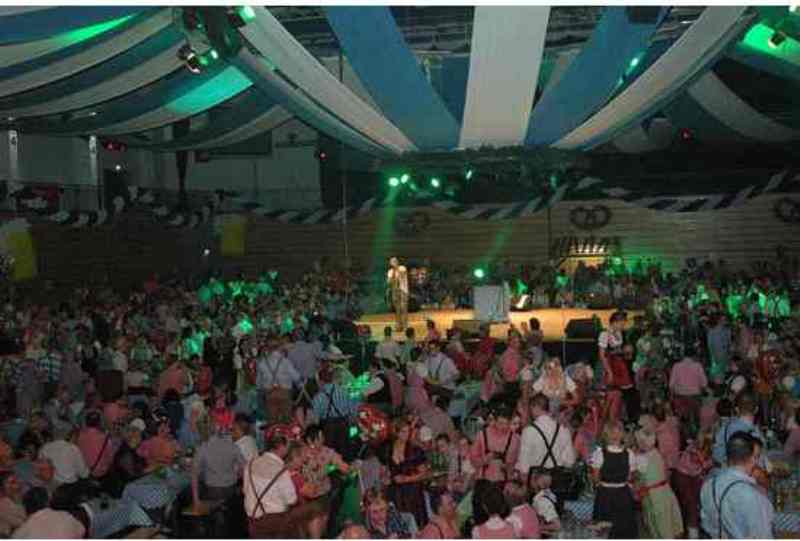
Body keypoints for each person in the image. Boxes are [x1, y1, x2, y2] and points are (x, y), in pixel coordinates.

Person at [700, 431, 774, 538]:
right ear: (753, 459)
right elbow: (763, 535)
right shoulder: (752, 495)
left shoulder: (708, 485)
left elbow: (707, 525)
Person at [589, 420, 644, 539]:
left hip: (605, 495)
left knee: (605, 532)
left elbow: (595, 478)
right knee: (624, 530)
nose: (615, 435)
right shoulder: (629, 454)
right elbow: (631, 477)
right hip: (622, 495)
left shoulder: (599, 453)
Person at [243, 434, 298, 539]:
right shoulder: (281, 470)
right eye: (288, 445)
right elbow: (291, 500)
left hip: (253, 521)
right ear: (282, 447)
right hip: (276, 522)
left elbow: (245, 491)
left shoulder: (250, 464)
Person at [516, 394, 576, 489]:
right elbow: (570, 461)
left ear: (535, 407)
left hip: (535, 481)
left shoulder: (528, 431)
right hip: (557, 481)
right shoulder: (563, 430)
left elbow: (524, 464)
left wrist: (525, 483)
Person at [634, 428, 684, 538]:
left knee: (659, 525)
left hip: (654, 495)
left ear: (642, 442)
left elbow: (636, 476)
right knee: (668, 523)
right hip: (665, 491)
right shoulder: (657, 453)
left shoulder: (642, 458)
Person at [383, 417, 429, 527]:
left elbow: (426, 474)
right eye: (403, 431)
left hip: (413, 494)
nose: (407, 434)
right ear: (396, 432)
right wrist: (386, 477)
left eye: (408, 431)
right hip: (395, 494)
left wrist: (407, 479)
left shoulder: (415, 450)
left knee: (416, 525)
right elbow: (387, 470)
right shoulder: (388, 449)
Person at [191, 416, 245, 507]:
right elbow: (244, 468)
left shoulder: (203, 447)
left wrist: (196, 500)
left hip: (212, 490)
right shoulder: (232, 445)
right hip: (231, 488)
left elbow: (194, 473)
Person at [470, 401, 520, 483]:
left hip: (505, 482)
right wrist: (485, 459)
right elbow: (473, 461)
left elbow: (517, 464)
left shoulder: (516, 439)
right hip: (483, 481)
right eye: (500, 423)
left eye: (506, 424)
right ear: (495, 421)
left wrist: (508, 466)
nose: (503, 427)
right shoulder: (482, 435)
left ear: (510, 421)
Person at [669, 354, 709, 425]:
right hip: (695, 396)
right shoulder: (698, 366)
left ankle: (683, 433)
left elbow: (671, 384)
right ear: (693, 356)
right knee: (696, 420)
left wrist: (672, 396)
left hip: (680, 397)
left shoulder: (676, 366)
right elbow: (704, 383)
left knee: (682, 420)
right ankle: (696, 433)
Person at [0, 472, 26, 537]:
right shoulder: (3, 503)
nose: (17, 484)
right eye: (12, 482)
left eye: (16, 481)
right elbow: (21, 523)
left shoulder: (15, 500)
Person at [387, 257, 409, 331]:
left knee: (404, 308)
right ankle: (399, 325)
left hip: (403, 290)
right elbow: (389, 281)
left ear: (397, 262)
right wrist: (393, 273)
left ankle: (405, 326)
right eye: (392, 262)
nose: (393, 262)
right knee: (397, 309)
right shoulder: (390, 271)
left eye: (395, 261)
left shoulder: (402, 268)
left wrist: (396, 269)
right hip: (395, 291)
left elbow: (402, 274)